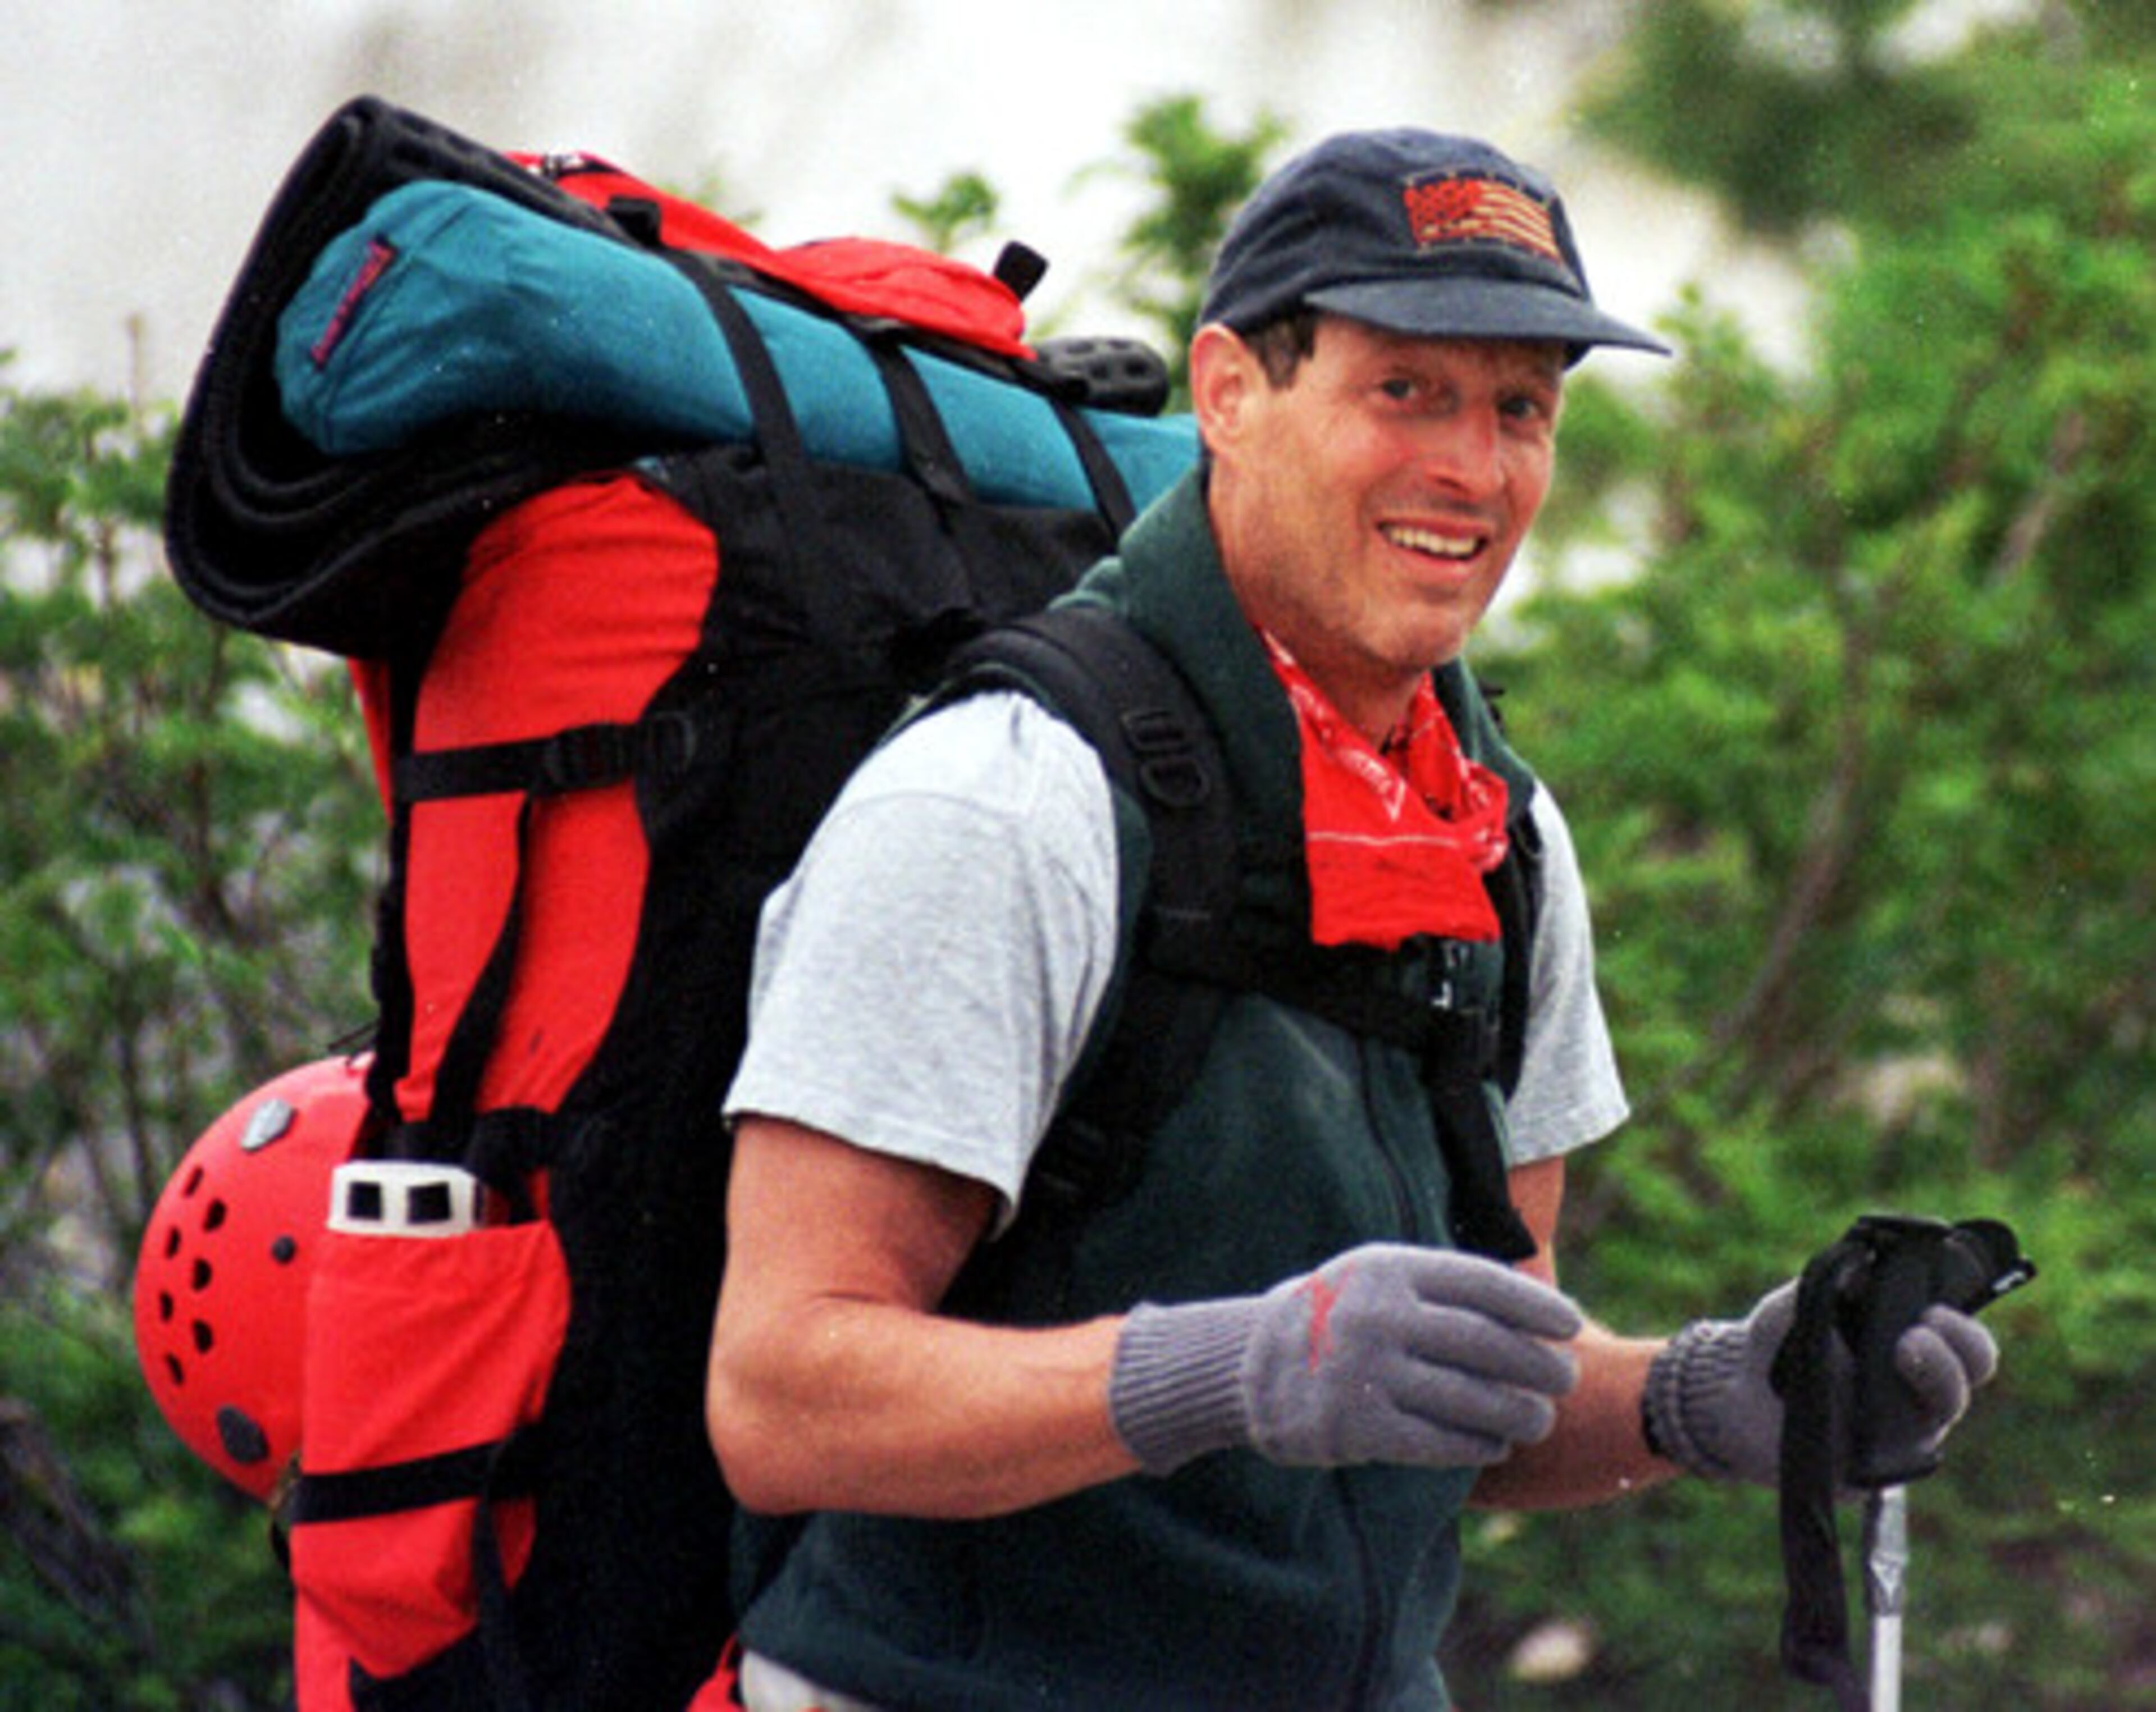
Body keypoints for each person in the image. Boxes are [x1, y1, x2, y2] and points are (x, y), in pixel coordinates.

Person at [705, 129, 2002, 1711]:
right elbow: (782, 1397)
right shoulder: (1009, 803)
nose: (1475, 469)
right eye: (1407, 389)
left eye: (1520, 408)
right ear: (1229, 392)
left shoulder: (1496, 837)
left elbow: (1479, 1403)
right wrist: (1230, 1368)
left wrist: (1711, 1396)